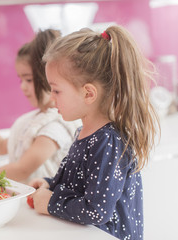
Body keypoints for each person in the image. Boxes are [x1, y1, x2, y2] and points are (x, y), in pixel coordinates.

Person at [29, 25, 160, 240]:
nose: (51, 98)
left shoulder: (108, 142)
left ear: (88, 93)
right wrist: (50, 184)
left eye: (57, 90)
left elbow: (96, 210)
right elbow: (78, 184)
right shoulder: (86, 133)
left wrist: (50, 203)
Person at [0, 29, 80, 183]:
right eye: (21, 80)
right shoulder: (35, 120)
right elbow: (1, 147)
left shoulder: (56, 126)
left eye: (28, 80)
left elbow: (22, 169)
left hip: (40, 203)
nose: (22, 87)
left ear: (47, 77)